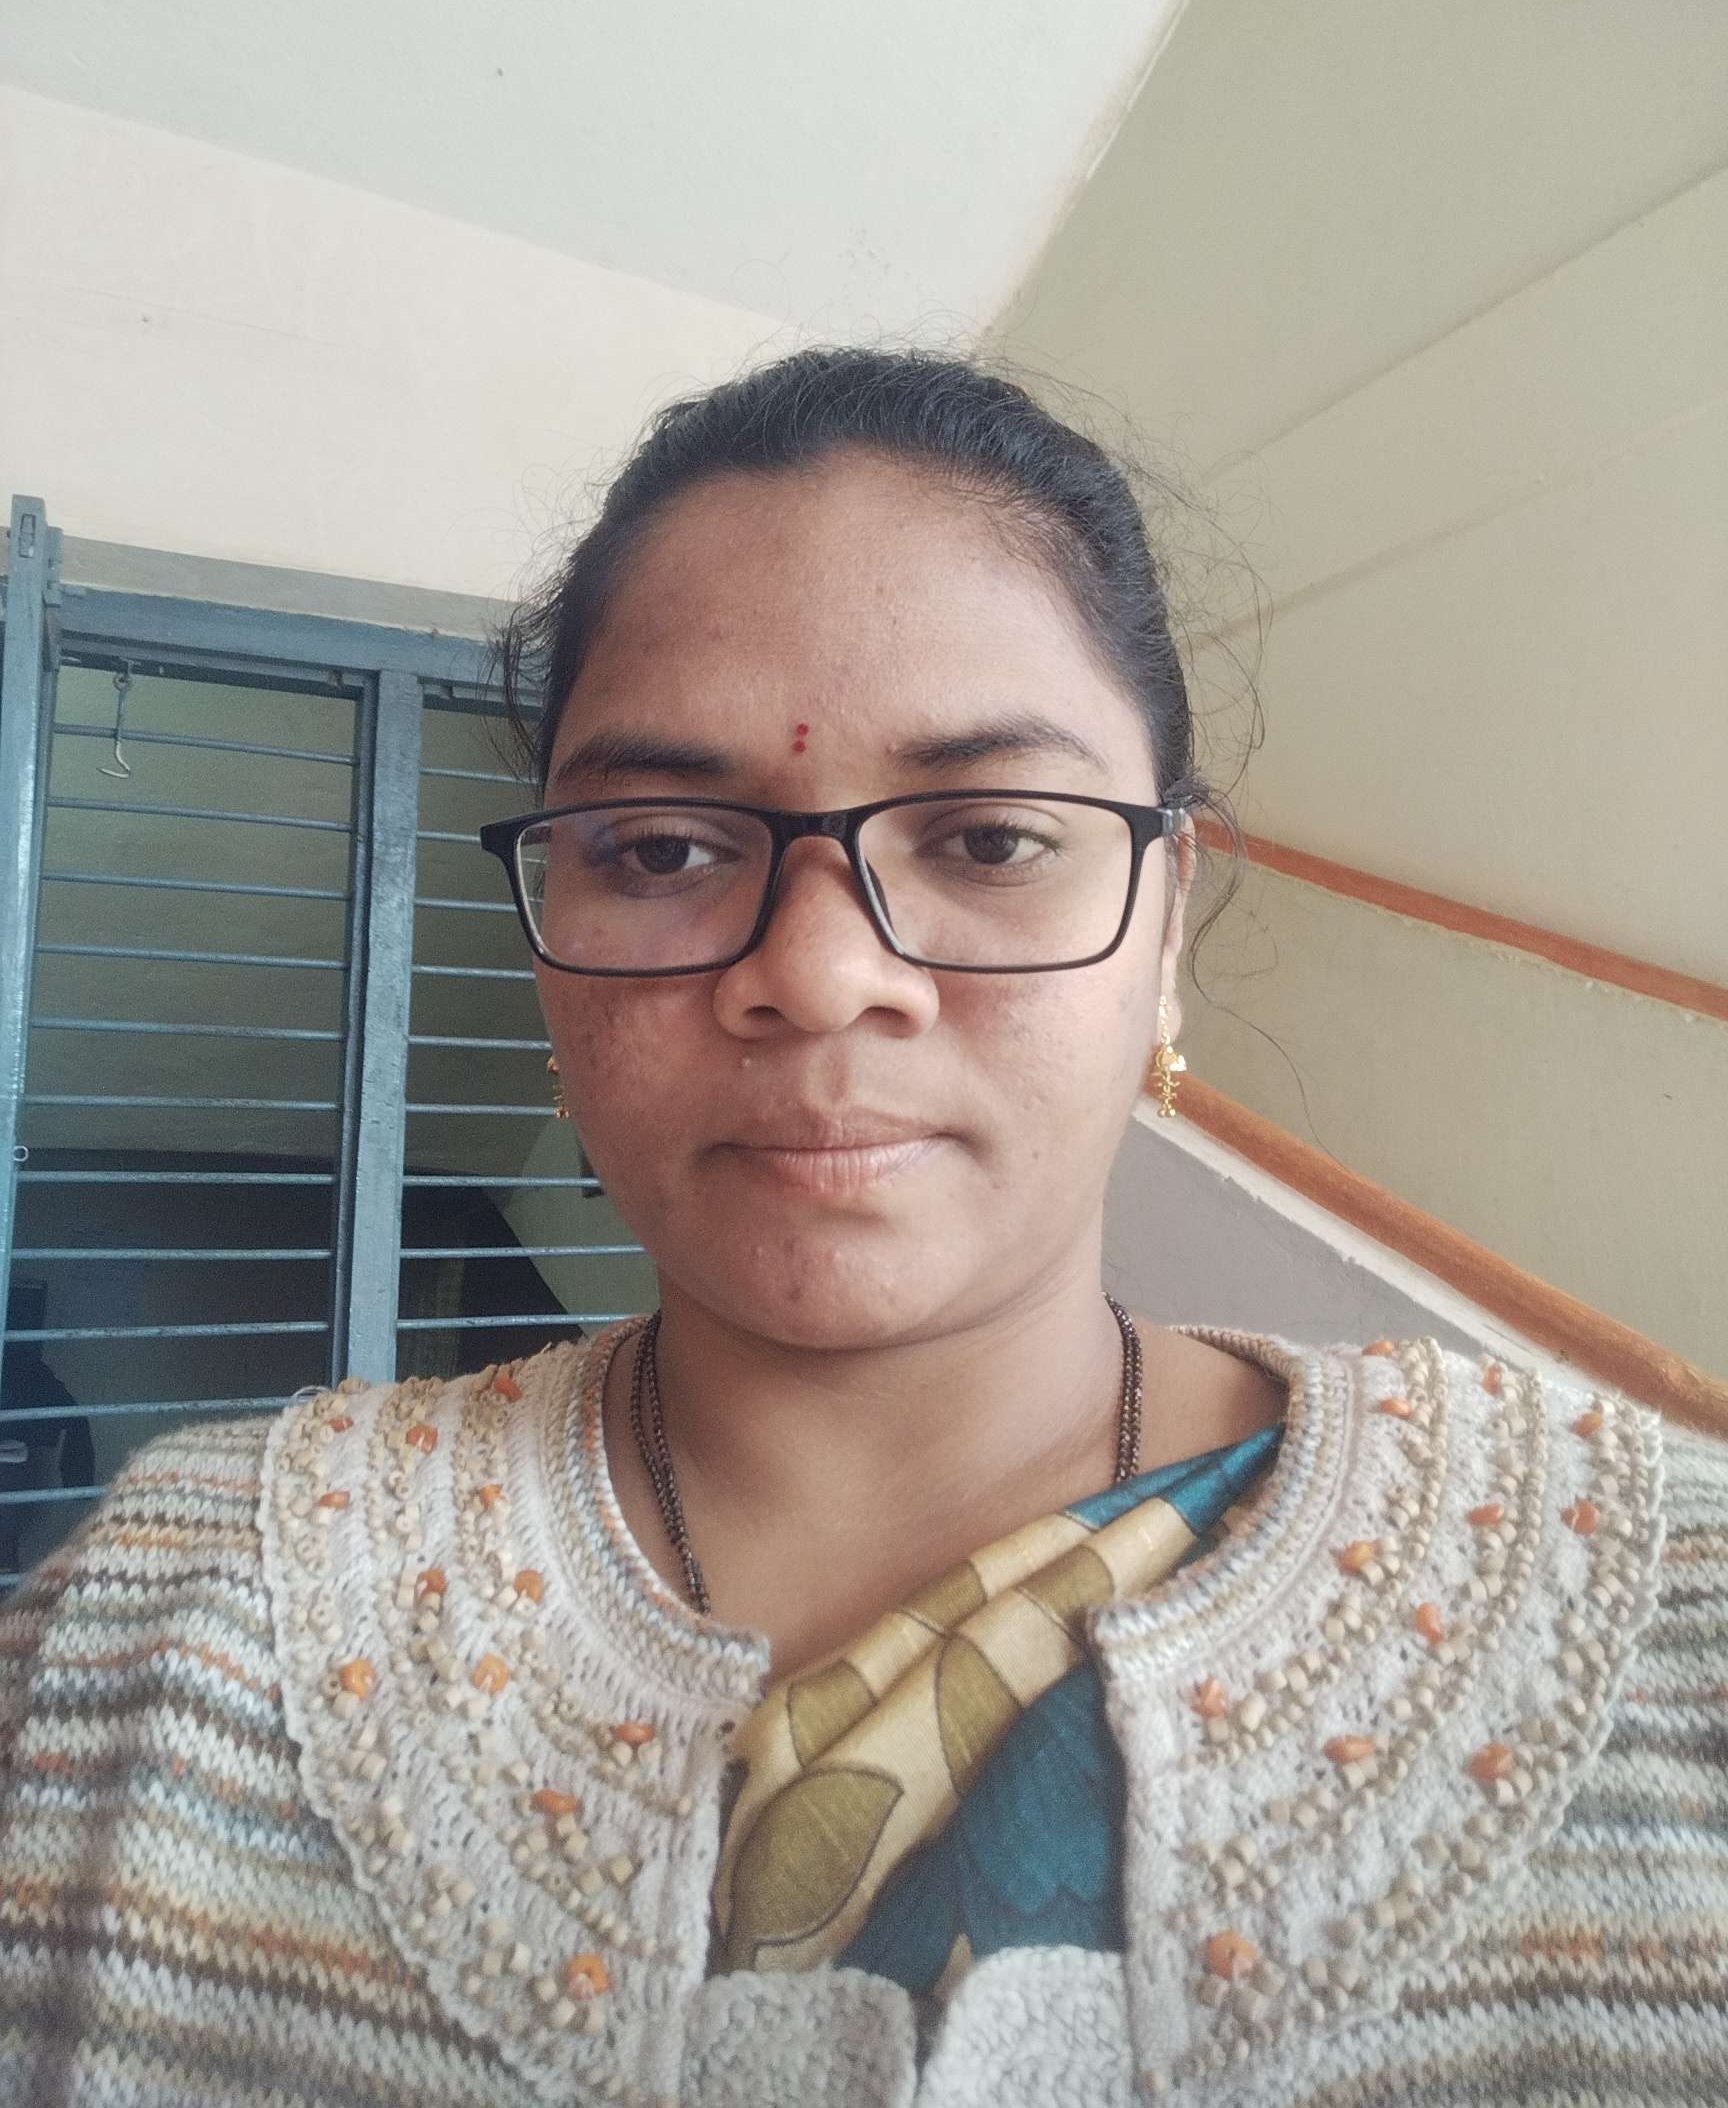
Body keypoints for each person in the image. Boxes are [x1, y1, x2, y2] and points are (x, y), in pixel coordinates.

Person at [1, 349, 1723, 2107]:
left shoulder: (1664, 1625)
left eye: (990, 837)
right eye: (661, 851)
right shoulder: (161, 1639)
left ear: (1166, 926)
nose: (818, 975)